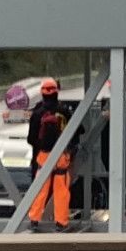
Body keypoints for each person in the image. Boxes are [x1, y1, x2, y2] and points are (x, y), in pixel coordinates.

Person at [27, 78, 83, 233]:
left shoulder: (38, 113)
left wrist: (42, 147)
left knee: (40, 189)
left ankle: (34, 219)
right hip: (61, 157)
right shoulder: (64, 111)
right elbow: (80, 130)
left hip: (43, 157)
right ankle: (61, 222)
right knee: (62, 190)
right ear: (56, 93)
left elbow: (31, 139)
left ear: (42, 94)